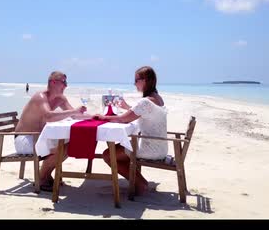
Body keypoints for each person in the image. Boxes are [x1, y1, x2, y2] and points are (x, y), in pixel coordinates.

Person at [93, 66, 167, 195]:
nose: (134, 84)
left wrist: (103, 117)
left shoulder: (145, 101)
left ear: (144, 81)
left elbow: (123, 119)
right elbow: (143, 113)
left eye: (136, 80)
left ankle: (140, 184)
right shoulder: (157, 98)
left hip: (150, 149)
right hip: (159, 146)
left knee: (108, 155)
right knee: (120, 150)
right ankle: (140, 181)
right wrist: (127, 107)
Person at [15, 71, 88, 191]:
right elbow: (48, 116)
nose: (66, 85)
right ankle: (42, 178)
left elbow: (76, 115)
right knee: (58, 148)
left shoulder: (60, 98)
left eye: (66, 82)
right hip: (25, 139)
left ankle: (46, 175)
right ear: (53, 82)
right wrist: (74, 111)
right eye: (63, 82)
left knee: (69, 146)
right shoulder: (40, 96)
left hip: (39, 137)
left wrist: (96, 117)